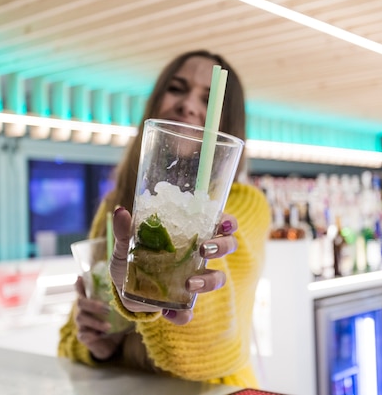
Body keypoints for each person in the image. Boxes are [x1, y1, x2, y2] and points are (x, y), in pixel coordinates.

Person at [58, 50, 271, 388]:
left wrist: (147, 304)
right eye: (177, 88)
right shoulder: (117, 205)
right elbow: (71, 336)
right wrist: (98, 345)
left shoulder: (247, 206)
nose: (188, 105)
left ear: (226, 120)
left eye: (208, 98)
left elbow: (215, 348)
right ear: (155, 102)